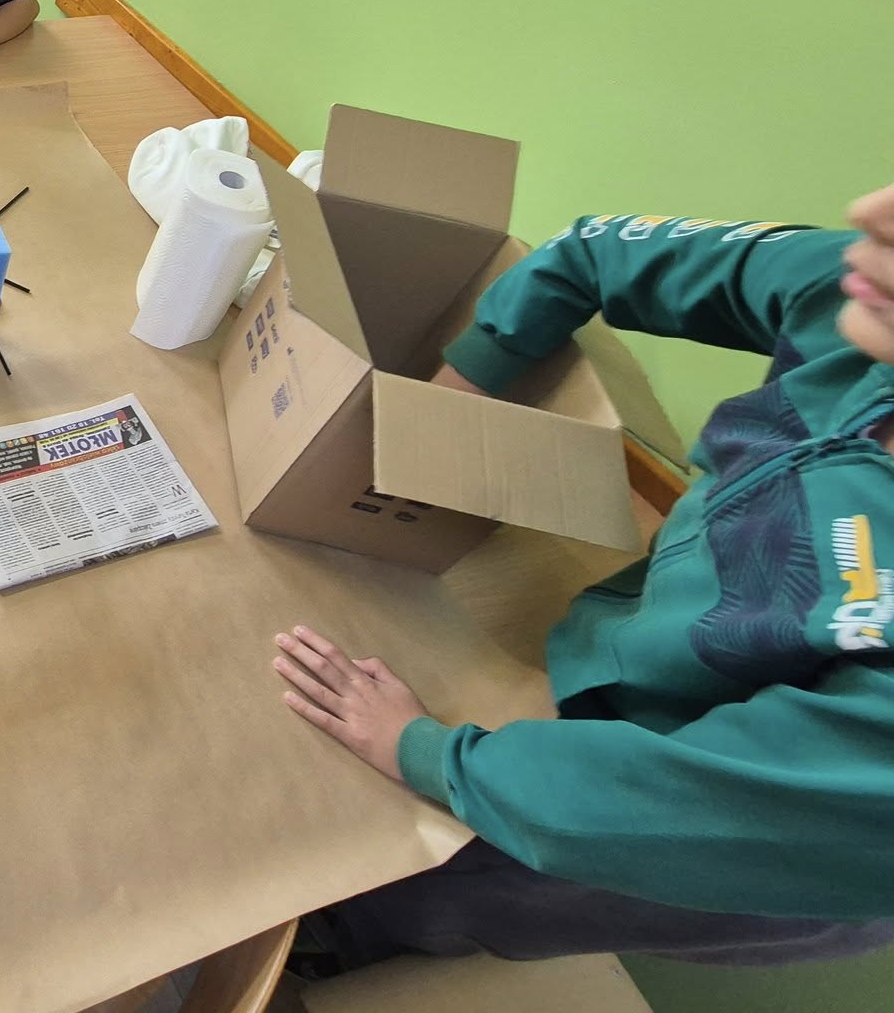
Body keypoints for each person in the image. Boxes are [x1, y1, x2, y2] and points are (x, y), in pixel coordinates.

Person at [274, 193, 894, 972]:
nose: (876, 209)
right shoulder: (862, 300)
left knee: (477, 882)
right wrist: (448, 401)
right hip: (675, 656)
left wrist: (422, 753)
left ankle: (338, 934)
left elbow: (659, 808)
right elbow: (596, 250)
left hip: (786, 837)